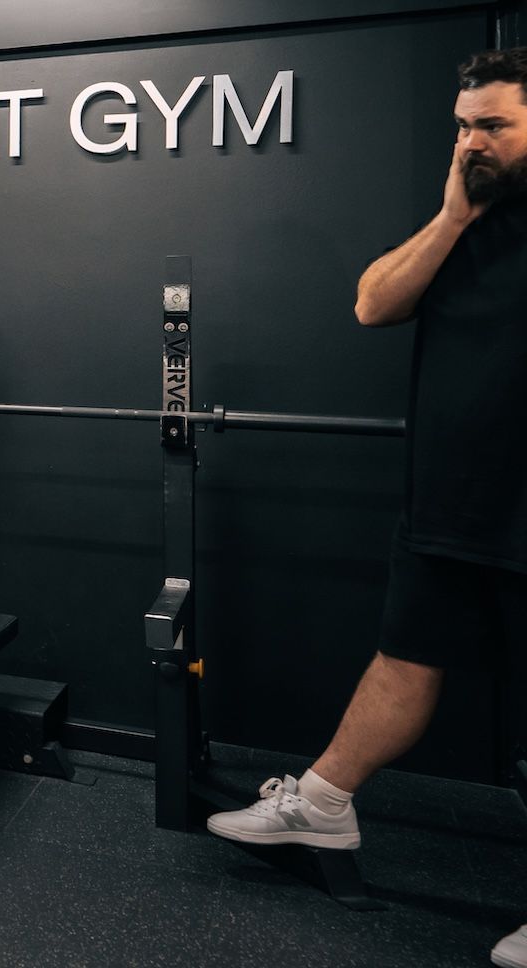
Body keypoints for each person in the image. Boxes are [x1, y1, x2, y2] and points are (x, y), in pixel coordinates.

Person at [203, 48, 527, 968]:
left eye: (493, 126)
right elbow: (372, 304)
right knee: (406, 659)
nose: (472, 143)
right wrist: (454, 215)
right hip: (450, 499)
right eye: (463, 126)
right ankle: (323, 804)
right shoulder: (470, 220)